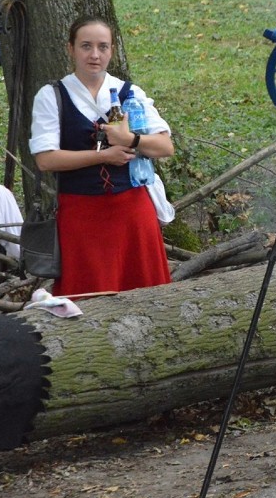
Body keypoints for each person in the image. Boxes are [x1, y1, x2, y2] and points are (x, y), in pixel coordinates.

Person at [29, 15, 174, 297]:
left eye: (103, 47)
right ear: (70, 49)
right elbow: (45, 160)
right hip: (81, 214)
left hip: (133, 212)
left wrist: (131, 139)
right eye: (86, 46)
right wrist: (103, 156)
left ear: (112, 51)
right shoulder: (52, 95)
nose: (95, 55)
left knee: (145, 297)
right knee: (88, 299)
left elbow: (165, 147)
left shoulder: (130, 93)